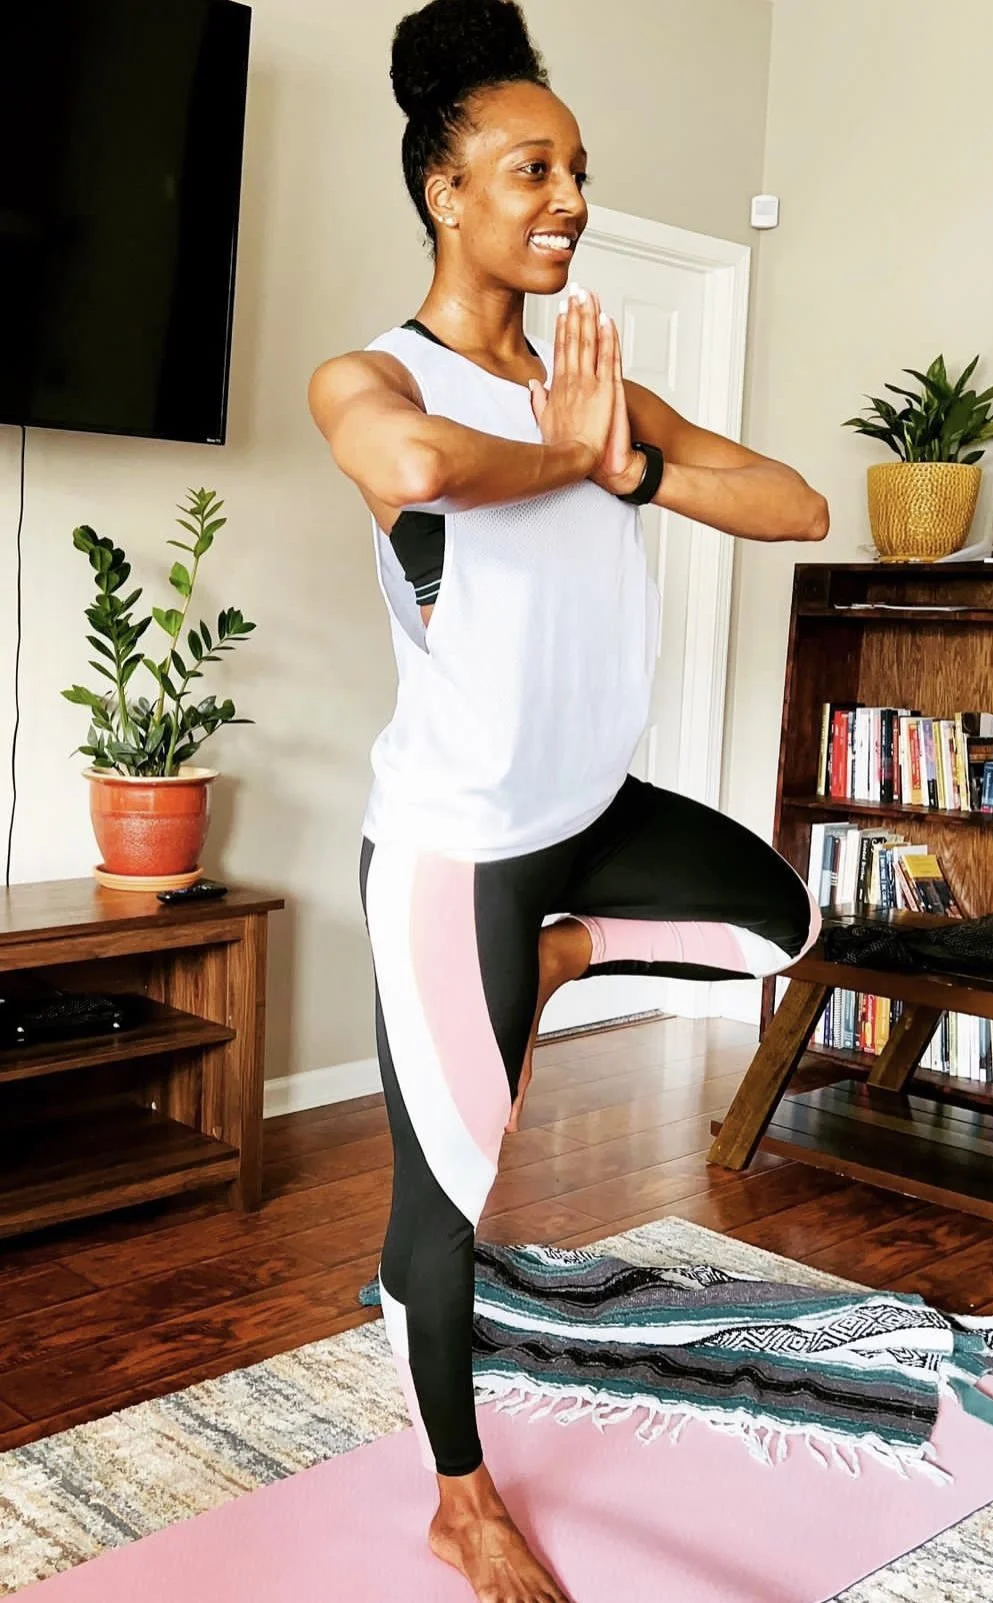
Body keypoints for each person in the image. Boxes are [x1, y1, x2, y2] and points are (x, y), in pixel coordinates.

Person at [308, 2, 829, 1598]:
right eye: (531, 168)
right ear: (443, 193)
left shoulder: (602, 400)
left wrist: (636, 467)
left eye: (581, 171)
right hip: (458, 845)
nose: (571, 199)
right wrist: (566, 445)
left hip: (592, 815)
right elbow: (411, 468)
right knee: (444, 1205)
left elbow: (791, 499)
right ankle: (459, 1499)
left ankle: (562, 952)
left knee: (785, 922)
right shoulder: (368, 372)